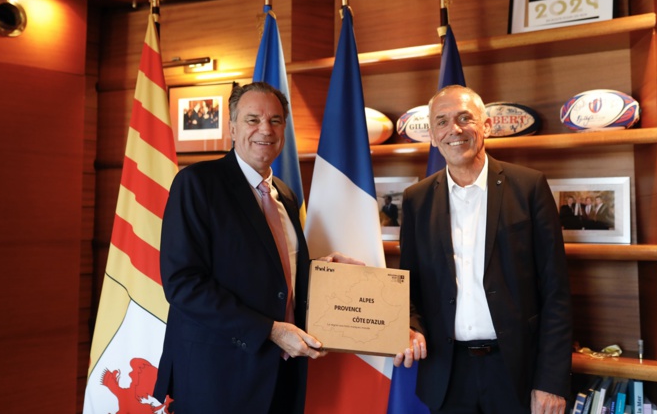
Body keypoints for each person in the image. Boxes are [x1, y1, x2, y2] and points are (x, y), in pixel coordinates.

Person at [153, 82, 362, 414]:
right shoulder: (197, 184)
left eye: (276, 121)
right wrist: (271, 331)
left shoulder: (285, 194)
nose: (265, 129)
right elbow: (183, 284)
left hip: (282, 371)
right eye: (253, 119)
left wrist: (324, 271)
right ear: (232, 128)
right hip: (218, 375)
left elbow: (275, 272)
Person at [394, 85, 573, 414]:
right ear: (432, 135)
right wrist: (410, 325)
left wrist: (550, 380)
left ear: (487, 126)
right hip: (447, 375)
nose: (455, 130)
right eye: (442, 122)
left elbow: (556, 292)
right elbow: (409, 285)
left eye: (465, 118)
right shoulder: (416, 199)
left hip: (516, 372)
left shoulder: (529, 187)